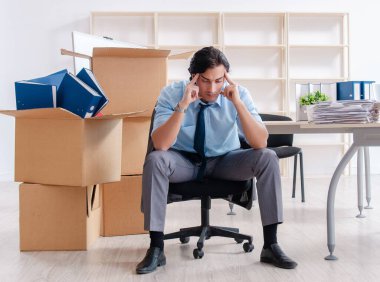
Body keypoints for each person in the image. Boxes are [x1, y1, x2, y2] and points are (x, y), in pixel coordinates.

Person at [136, 46, 297, 274]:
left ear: (227, 77)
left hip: (225, 161)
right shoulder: (171, 94)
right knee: (156, 160)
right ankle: (156, 248)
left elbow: (260, 142)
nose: (212, 89)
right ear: (193, 77)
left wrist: (238, 104)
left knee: (268, 157)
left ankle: (271, 245)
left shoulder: (238, 94)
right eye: (205, 81)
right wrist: (182, 106)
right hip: (185, 162)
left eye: (218, 80)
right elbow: (161, 145)